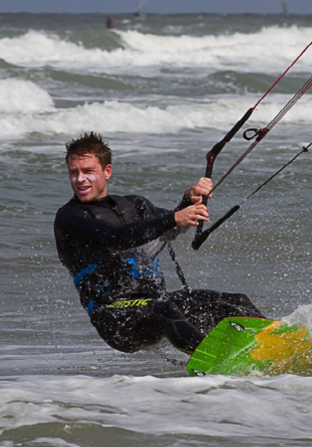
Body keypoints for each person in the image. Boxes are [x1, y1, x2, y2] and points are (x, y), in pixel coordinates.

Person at [54, 132, 264, 353]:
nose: (80, 179)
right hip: (115, 317)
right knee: (164, 307)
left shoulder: (134, 205)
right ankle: (214, 360)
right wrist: (174, 218)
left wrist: (189, 199)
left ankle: (275, 343)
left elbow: (171, 228)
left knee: (234, 302)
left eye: (88, 171)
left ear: (107, 171)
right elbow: (116, 237)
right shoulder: (70, 217)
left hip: (157, 304)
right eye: (73, 172)